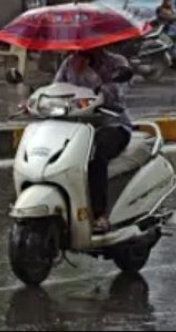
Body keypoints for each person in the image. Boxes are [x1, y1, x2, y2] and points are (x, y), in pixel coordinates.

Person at [54, 48, 132, 232]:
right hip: (76, 126)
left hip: (112, 124)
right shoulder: (69, 63)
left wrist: (90, 74)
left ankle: (99, 215)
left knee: (95, 154)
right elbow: (56, 88)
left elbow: (116, 95)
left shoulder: (117, 63)